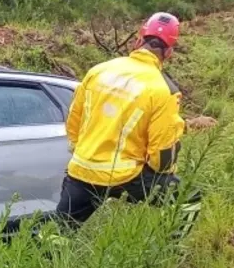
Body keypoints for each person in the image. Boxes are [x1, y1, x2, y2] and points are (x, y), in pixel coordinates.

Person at [55, 13, 196, 229]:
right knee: (189, 199)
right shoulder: (163, 90)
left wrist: (83, 152)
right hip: (126, 176)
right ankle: (172, 252)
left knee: (60, 231)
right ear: (169, 52)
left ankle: (50, 258)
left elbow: (73, 121)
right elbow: (162, 157)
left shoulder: (98, 71)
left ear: (138, 41)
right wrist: (163, 173)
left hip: (82, 169)